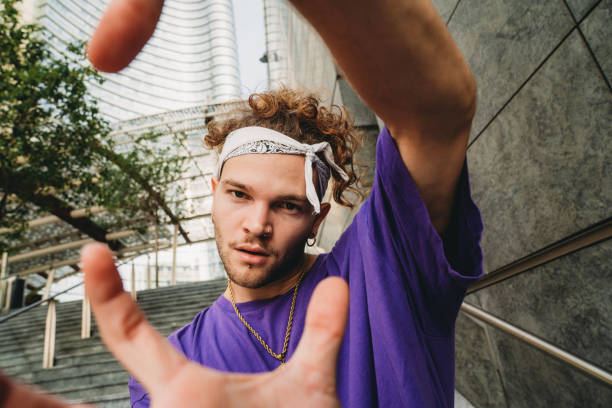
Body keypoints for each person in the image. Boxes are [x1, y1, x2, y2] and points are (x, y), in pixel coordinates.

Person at [0, 0, 483, 407]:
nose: (257, 224)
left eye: (289, 205)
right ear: (213, 195)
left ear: (318, 218)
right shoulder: (168, 369)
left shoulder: (384, 266)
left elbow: (435, 114)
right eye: (239, 194)